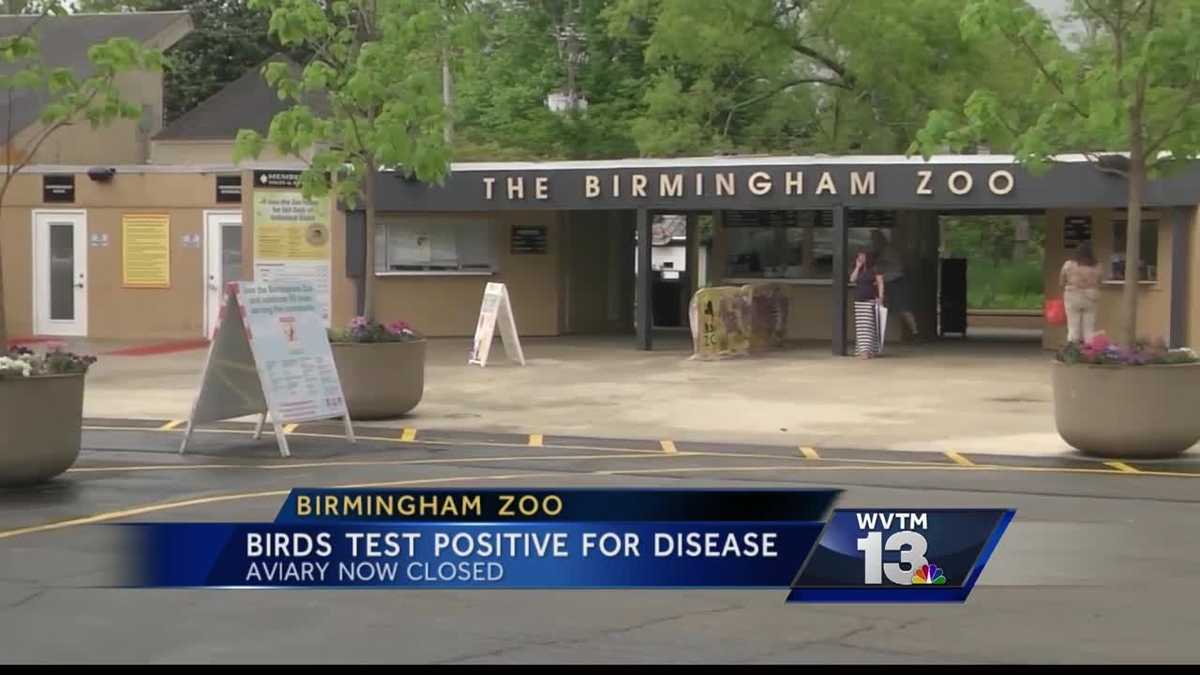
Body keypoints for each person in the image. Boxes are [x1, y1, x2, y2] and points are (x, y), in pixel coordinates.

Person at [871, 230, 920, 341]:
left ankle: (915, 331)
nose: (873, 242)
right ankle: (913, 331)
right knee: (892, 308)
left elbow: (894, 266)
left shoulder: (888, 251)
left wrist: (878, 268)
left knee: (903, 308)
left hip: (897, 281)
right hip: (890, 282)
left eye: (874, 239)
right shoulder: (883, 251)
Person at [1059, 242, 1103, 343]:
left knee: (1073, 327)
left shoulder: (1068, 265)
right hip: (1091, 296)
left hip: (1073, 295)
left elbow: (1061, 282)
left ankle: (1072, 353)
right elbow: (1099, 282)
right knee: (1089, 329)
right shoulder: (1098, 266)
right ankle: (1089, 353)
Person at [850, 248, 885, 359]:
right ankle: (862, 350)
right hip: (859, 301)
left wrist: (881, 297)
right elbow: (852, 279)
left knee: (869, 326)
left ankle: (868, 351)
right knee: (861, 327)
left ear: (868, 257)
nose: (860, 258)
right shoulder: (859, 270)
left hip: (870, 300)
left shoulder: (875, 269)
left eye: (863, 256)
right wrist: (857, 267)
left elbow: (880, 283)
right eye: (859, 256)